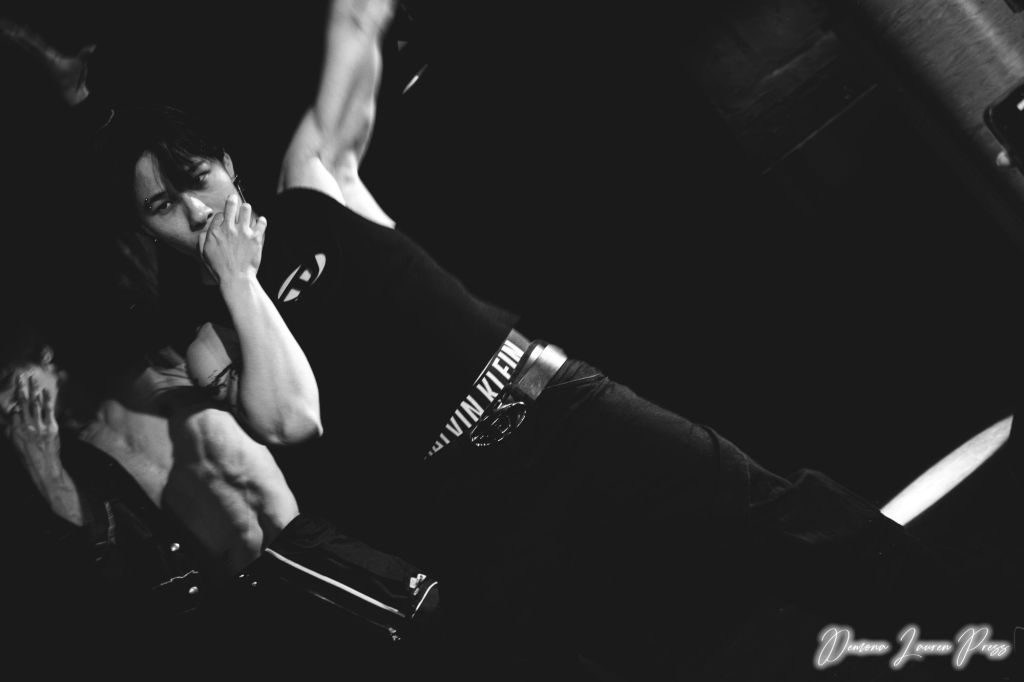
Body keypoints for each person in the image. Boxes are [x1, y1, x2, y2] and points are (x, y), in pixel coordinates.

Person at [7, 3, 1023, 679]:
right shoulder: (204, 337)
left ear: (227, 164)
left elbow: (357, 27)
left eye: (197, 180)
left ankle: (978, 629)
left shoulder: (312, 187)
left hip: (559, 404)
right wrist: (238, 280)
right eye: (164, 207)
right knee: (616, 653)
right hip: (479, 505)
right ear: (144, 230)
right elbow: (292, 418)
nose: (194, 209)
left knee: (782, 513)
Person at [0, 318, 442, 677]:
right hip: (239, 616)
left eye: (5, 382)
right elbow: (114, 567)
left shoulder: (150, 359)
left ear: (43, 355)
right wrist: (47, 470)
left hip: (298, 551)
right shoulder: (66, 461)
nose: (5, 406)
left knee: (436, 636)